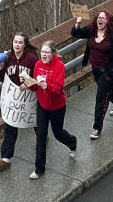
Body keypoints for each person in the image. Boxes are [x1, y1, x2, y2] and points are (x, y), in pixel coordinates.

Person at [70, 11, 113, 140]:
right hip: (96, 69)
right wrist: (78, 24)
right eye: (98, 18)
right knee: (107, 90)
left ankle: (97, 127)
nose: (100, 20)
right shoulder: (92, 30)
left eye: (103, 18)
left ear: (107, 21)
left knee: (101, 97)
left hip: (109, 70)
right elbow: (75, 33)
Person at [29, 41, 78, 179]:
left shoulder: (59, 66)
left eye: (46, 52)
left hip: (57, 106)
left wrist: (47, 86)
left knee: (58, 133)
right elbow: (34, 86)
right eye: (42, 52)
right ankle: (39, 169)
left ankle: (72, 142)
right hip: (42, 105)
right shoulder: (38, 65)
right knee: (41, 136)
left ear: (53, 54)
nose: (43, 55)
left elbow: (58, 88)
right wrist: (28, 82)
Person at [0, 32, 39, 172]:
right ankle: (5, 158)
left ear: (25, 45)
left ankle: (42, 137)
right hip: (14, 101)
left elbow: (38, 76)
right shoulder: (8, 59)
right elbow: (2, 79)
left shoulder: (32, 59)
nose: (17, 45)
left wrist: (29, 83)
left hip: (29, 97)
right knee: (10, 126)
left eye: (20, 42)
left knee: (36, 121)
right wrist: (0, 69)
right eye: (15, 42)